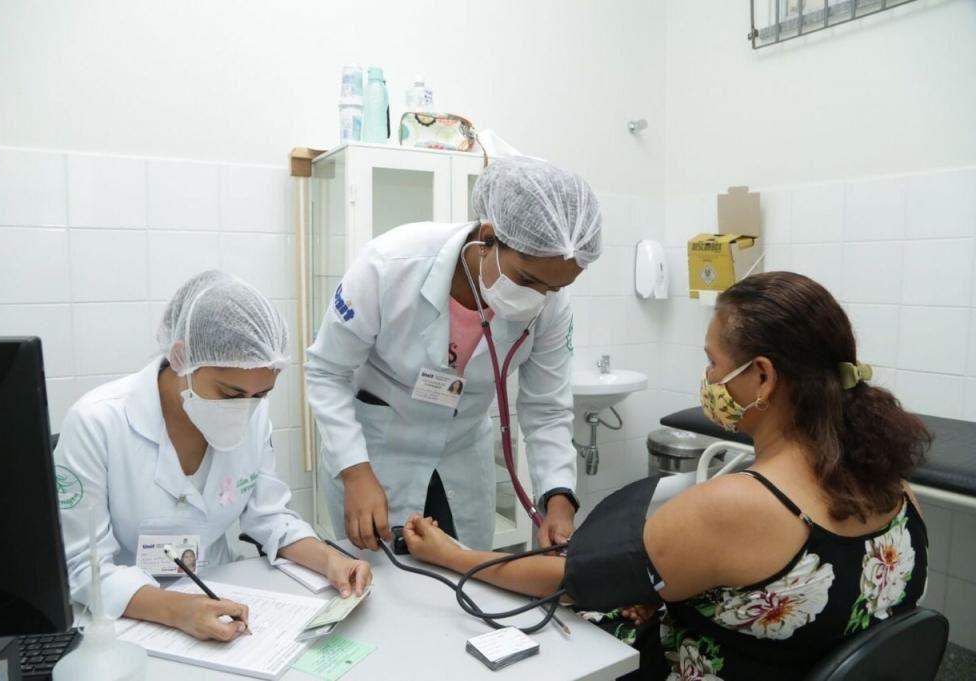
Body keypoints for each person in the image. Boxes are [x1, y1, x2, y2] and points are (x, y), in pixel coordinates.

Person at [400, 272, 930, 680]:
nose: (709, 378)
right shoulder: (894, 487)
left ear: (762, 377)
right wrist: (671, 592)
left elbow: (568, 582)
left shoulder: (737, 505)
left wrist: (452, 555)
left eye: (713, 362)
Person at [305, 155, 602, 552]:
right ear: (489, 237)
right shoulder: (389, 264)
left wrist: (559, 500)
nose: (538, 298)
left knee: (466, 575)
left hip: (461, 458)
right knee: (378, 579)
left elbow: (546, 409)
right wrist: (355, 471)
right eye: (528, 279)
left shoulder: (550, 303)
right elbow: (327, 371)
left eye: (553, 288)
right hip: (376, 455)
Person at [55, 271, 371, 642]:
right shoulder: (96, 422)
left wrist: (331, 560)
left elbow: (270, 517)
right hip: (126, 617)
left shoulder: (253, 414)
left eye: (261, 395)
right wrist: (177, 610)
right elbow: (84, 566)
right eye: (230, 394)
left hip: (220, 598)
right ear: (181, 358)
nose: (245, 408)